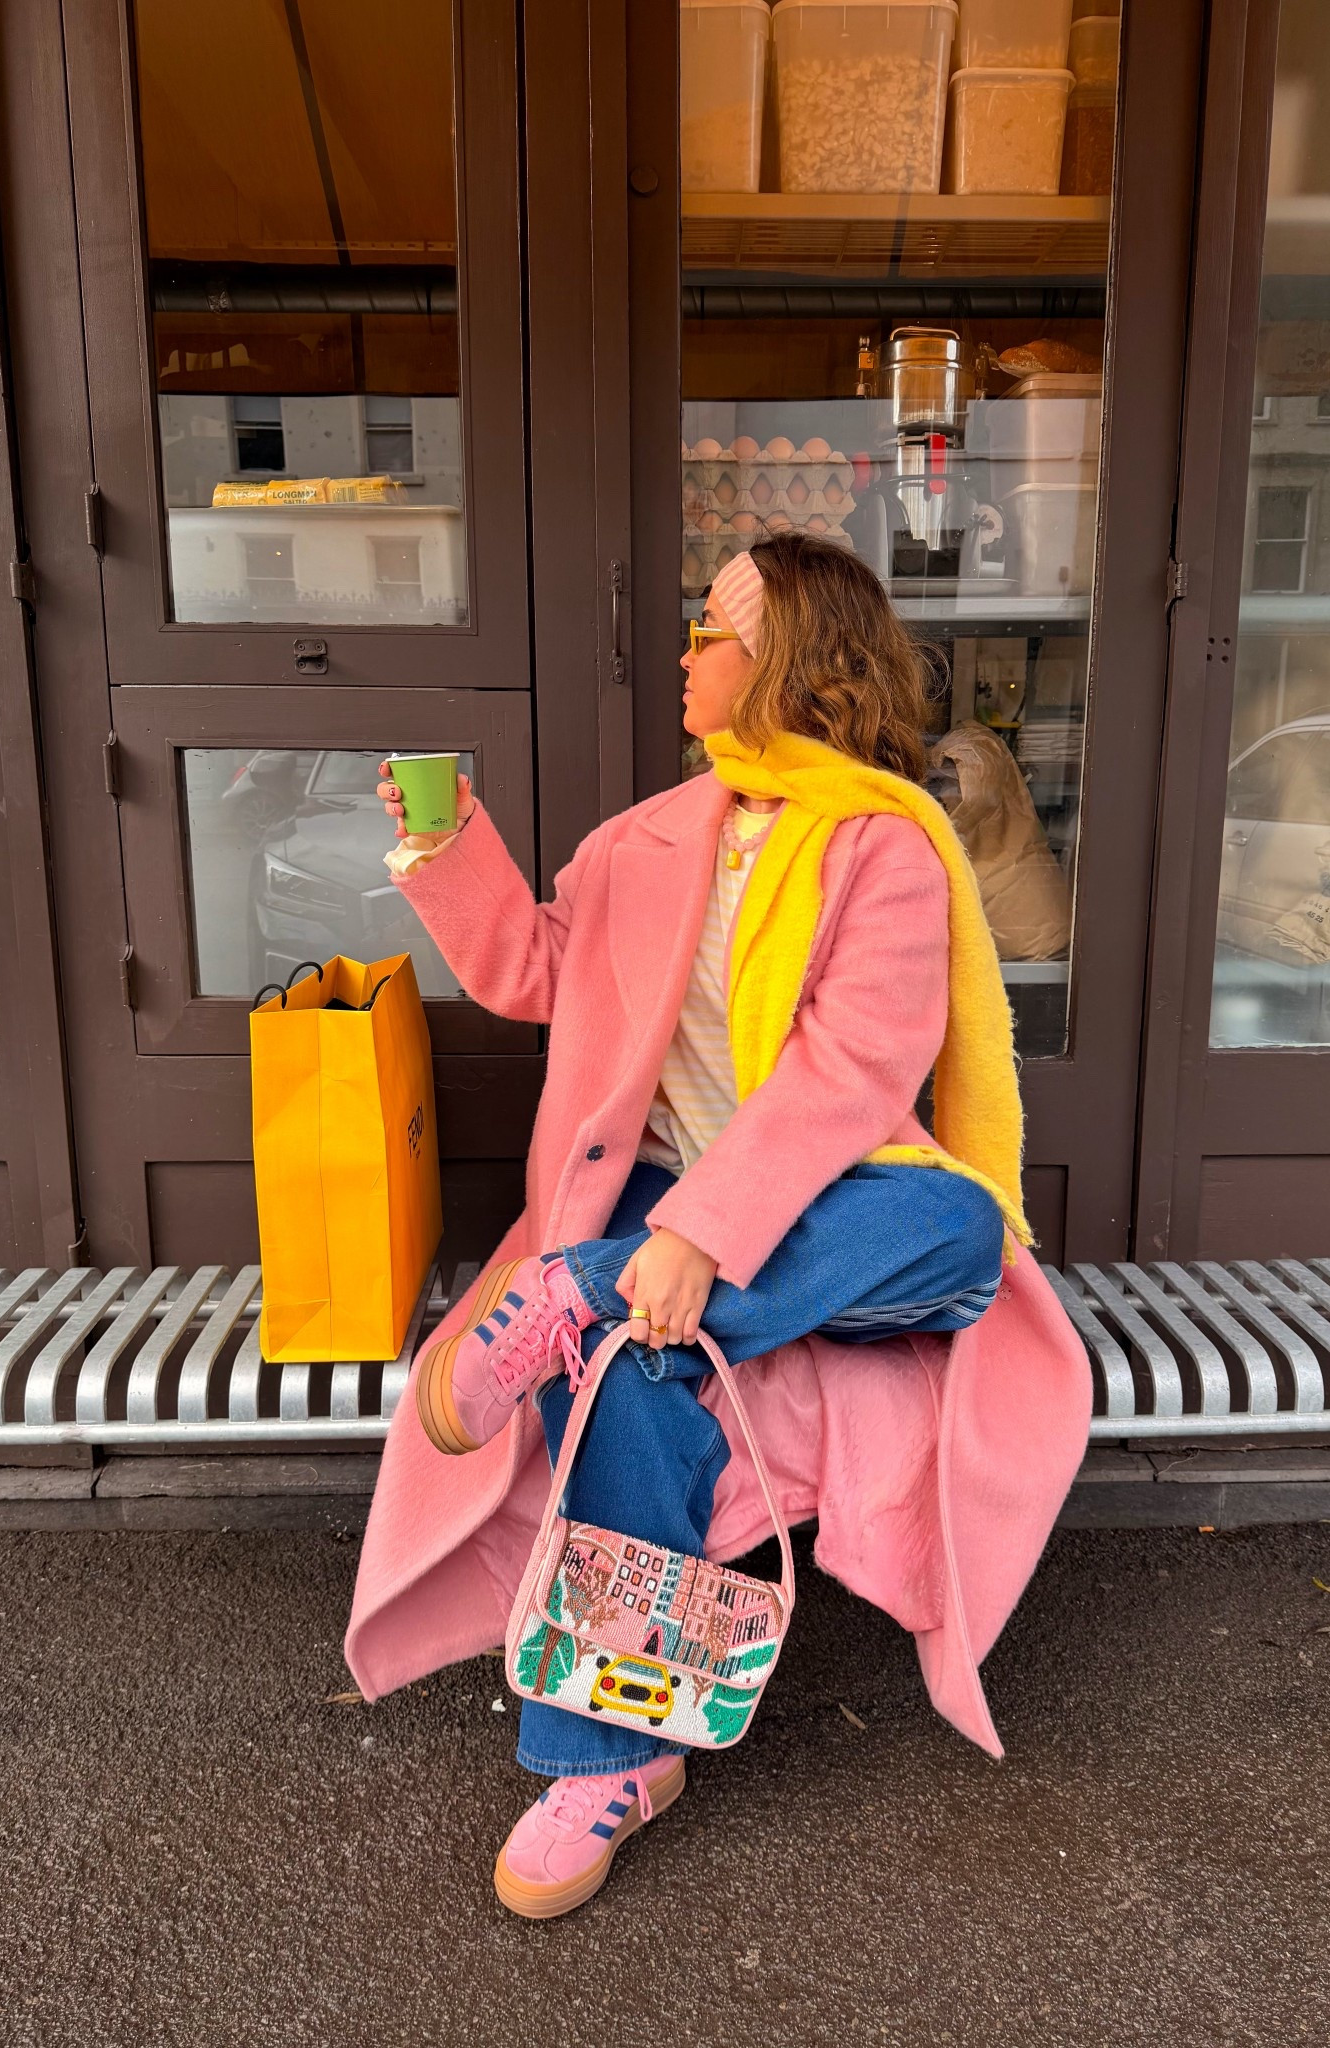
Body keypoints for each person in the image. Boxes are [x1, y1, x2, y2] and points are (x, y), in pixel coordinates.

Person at [372, 532, 1040, 1920]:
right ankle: (607, 1761)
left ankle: (583, 1287)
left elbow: (857, 1071)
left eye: (709, 634)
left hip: (833, 1197)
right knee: (627, 1371)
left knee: (959, 1229)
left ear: (789, 659)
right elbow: (537, 970)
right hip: (658, 1192)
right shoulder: (651, 838)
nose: (682, 656)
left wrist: (703, 1237)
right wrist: (449, 847)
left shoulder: (885, 846)